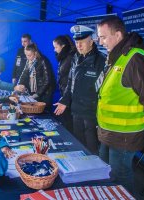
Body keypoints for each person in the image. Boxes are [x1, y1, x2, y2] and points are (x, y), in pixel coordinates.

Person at [96, 16, 144, 193]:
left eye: (103, 37)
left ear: (118, 35)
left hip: (125, 135)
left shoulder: (134, 59)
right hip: (108, 132)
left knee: (120, 178)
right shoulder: (116, 56)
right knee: (106, 174)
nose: (100, 42)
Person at [54, 25, 106, 154]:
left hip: (91, 113)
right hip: (76, 111)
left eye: (82, 42)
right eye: (77, 42)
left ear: (91, 41)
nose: (79, 45)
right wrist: (65, 100)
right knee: (79, 145)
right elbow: (71, 83)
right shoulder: (76, 58)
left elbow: (104, 90)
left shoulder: (102, 60)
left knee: (92, 147)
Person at [18, 43, 55, 111]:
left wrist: (37, 94)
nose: (27, 57)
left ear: (35, 53)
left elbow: (48, 80)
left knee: (44, 112)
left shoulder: (43, 61)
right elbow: (24, 74)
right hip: (35, 92)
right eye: (26, 55)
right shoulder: (29, 61)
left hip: (45, 93)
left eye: (29, 55)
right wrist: (20, 85)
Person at [52, 35, 76, 133]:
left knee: (69, 123)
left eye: (56, 47)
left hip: (70, 97)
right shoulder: (63, 57)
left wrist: (66, 98)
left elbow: (70, 80)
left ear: (63, 46)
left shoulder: (70, 58)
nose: (54, 50)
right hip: (65, 95)